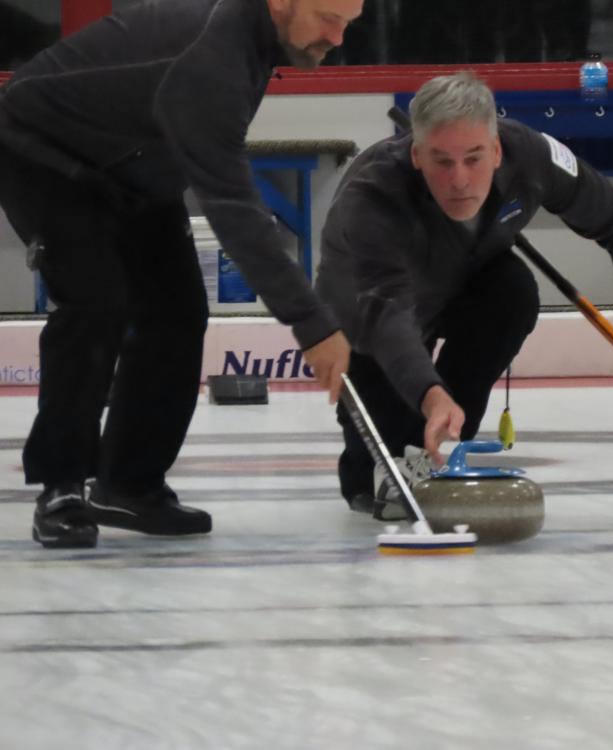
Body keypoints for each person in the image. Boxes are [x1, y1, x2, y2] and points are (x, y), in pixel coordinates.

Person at [0, 0, 361, 549]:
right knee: (95, 302)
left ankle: (128, 483)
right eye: (328, 18)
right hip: (41, 151)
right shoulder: (213, 55)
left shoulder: (257, 44)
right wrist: (312, 325)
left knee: (178, 311)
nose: (337, 38)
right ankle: (62, 485)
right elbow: (234, 208)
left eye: (348, 23)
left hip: (132, 164)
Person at [315, 72, 613, 520]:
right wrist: (431, 393)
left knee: (512, 291)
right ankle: (407, 435)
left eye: (474, 158)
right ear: (416, 155)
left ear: (497, 150)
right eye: (442, 161)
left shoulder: (533, 156)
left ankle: (435, 444)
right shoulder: (371, 197)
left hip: (456, 284)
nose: (460, 180)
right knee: (368, 484)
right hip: (365, 325)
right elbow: (388, 314)